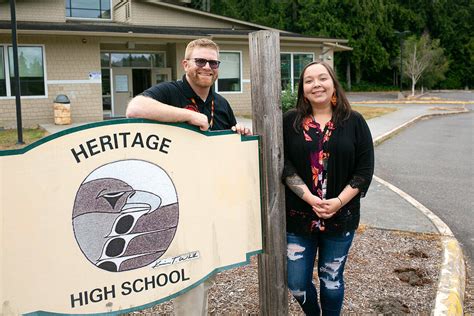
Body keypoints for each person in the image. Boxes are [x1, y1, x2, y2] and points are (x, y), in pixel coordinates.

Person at [126, 38, 251, 316]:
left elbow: (226, 143)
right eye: (200, 61)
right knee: (190, 274)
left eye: (213, 62)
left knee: (206, 273)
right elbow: (134, 108)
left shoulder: (221, 102)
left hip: (212, 201)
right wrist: (188, 116)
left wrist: (238, 132)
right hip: (178, 203)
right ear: (186, 64)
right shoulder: (172, 92)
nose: (207, 67)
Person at [282, 61, 374, 315]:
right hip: (299, 218)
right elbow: (284, 164)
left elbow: (364, 170)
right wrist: (310, 198)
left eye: (322, 78)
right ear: (302, 89)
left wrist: (338, 202)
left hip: (341, 218)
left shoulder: (354, 121)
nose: (316, 84)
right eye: (309, 80)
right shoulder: (290, 121)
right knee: (296, 283)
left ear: (333, 84)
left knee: (331, 281)